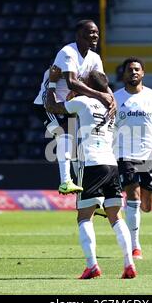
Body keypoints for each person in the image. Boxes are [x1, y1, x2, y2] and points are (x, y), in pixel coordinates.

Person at [45, 66, 137, 279]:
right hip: (111, 164)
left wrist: (51, 82)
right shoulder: (112, 106)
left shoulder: (84, 102)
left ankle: (92, 265)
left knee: (84, 217)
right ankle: (128, 263)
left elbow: (52, 106)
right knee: (115, 216)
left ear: (89, 85)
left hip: (91, 164)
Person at [33, 19, 116, 195]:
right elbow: (71, 83)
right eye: (91, 32)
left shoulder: (94, 57)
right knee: (64, 133)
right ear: (79, 35)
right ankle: (65, 182)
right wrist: (101, 95)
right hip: (49, 103)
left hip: (70, 105)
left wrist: (111, 96)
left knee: (78, 145)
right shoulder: (68, 52)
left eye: (97, 32)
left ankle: (87, 190)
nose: (95, 35)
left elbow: (101, 81)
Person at [113, 57, 152, 260]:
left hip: (147, 155)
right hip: (123, 154)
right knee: (133, 196)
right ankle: (135, 246)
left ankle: (126, 215)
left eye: (137, 69)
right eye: (129, 70)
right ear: (124, 74)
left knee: (147, 206)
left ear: (143, 73)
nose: (133, 73)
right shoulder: (115, 98)